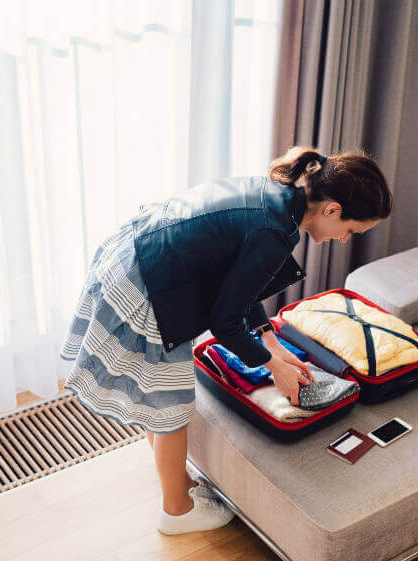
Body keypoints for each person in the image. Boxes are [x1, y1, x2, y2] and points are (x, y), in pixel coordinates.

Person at [59, 146, 393, 535]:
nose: (344, 239)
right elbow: (225, 320)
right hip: (148, 283)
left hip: (136, 255)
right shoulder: (275, 232)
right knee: (172, 407)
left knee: (157, 397)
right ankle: (177, 512)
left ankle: (176, 482)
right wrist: (274, 370)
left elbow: (236, 286)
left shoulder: (278, 196)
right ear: (332, 209)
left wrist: (273, 344)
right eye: (351, 231)